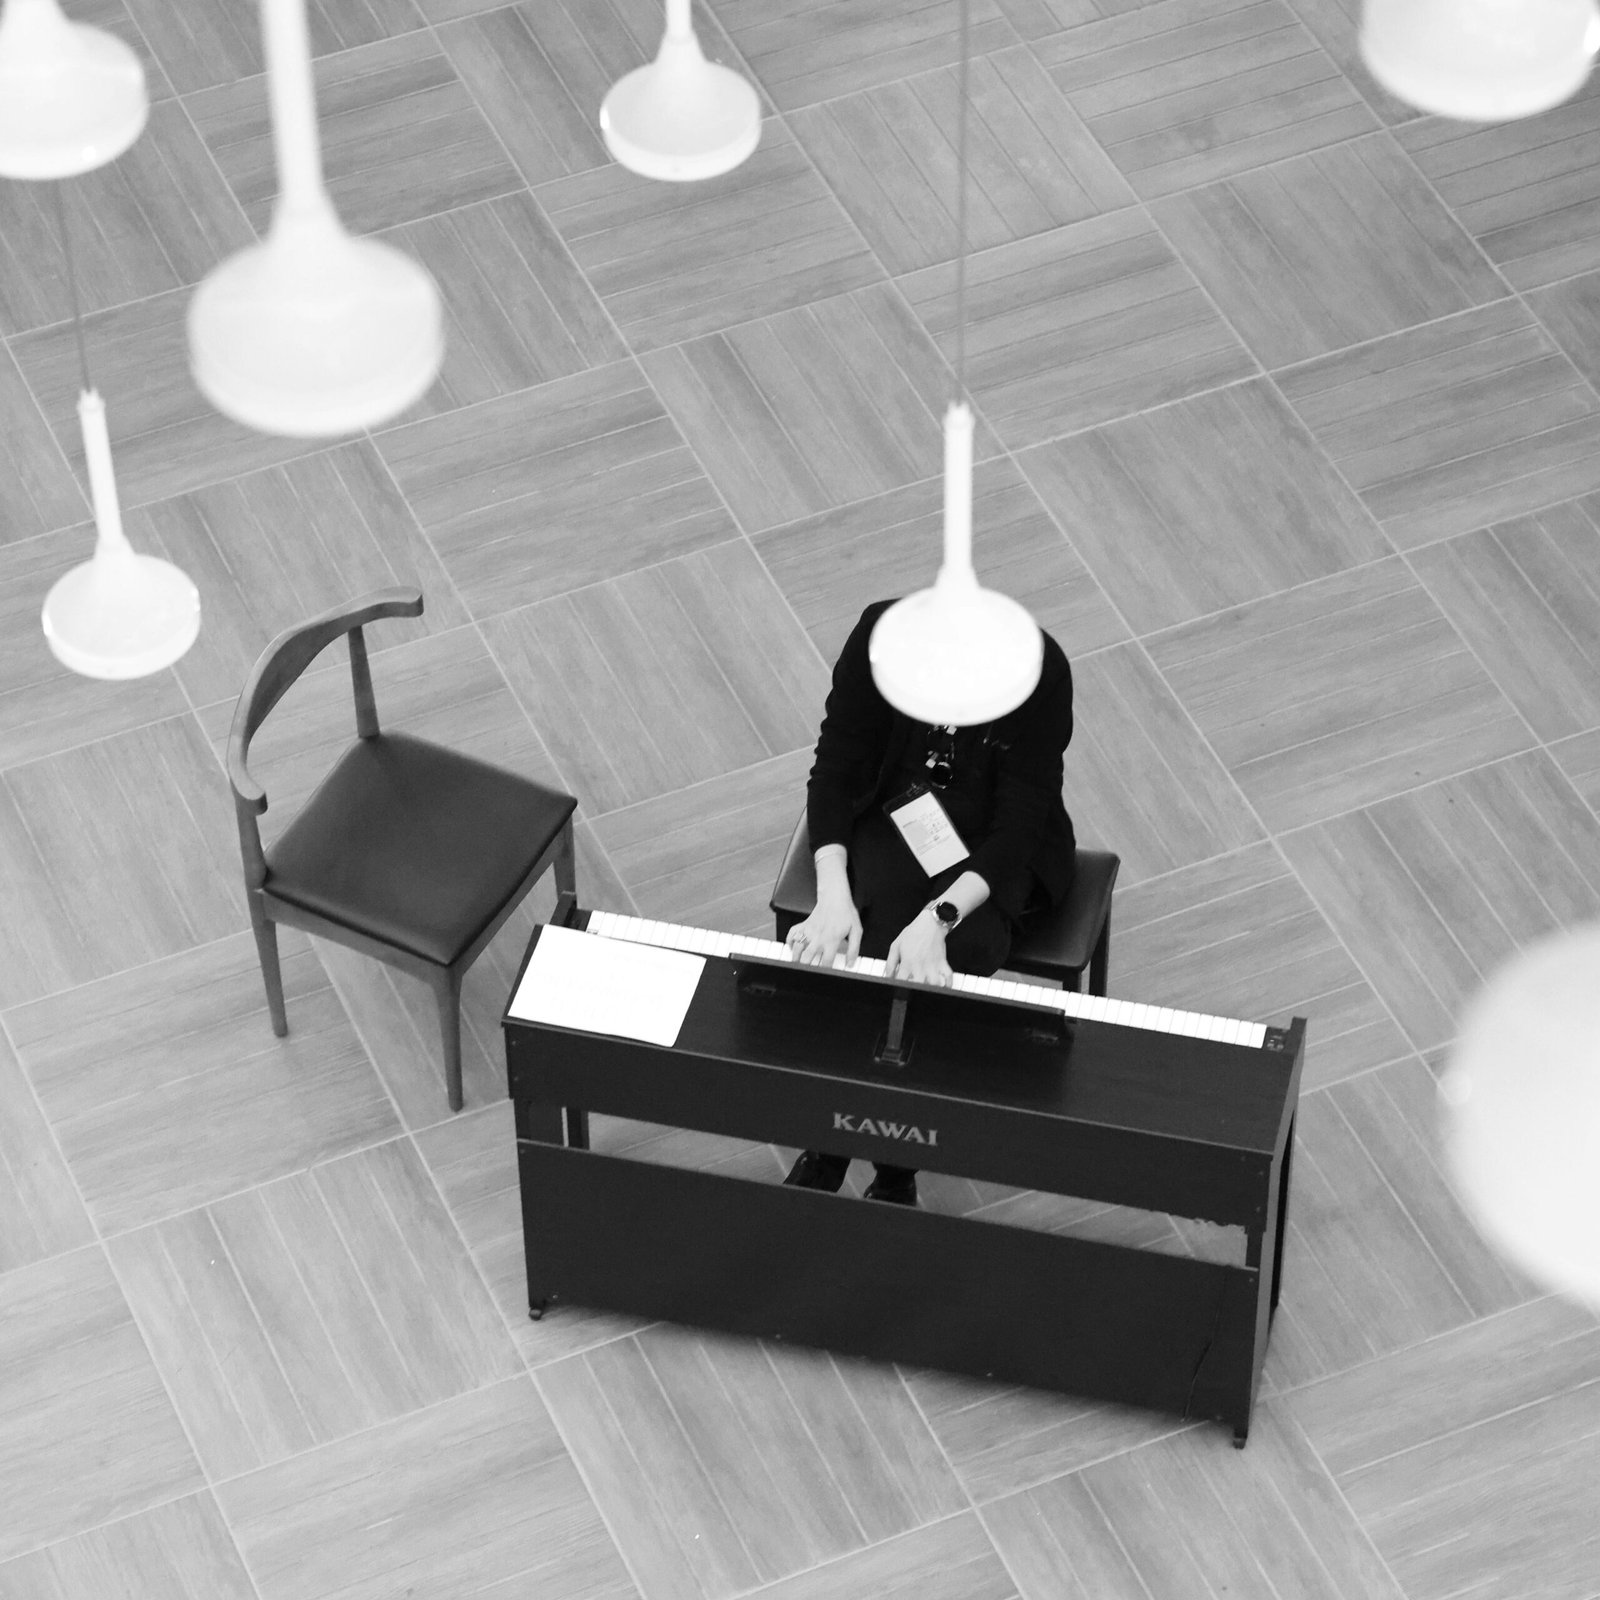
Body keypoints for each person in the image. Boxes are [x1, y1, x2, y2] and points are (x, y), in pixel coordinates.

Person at [783, 597, 1076, 1207]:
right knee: (870, 936)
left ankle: (865, 1149)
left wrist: (938, 918)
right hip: (901, 814)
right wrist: (832, 894)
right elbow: (834, 770)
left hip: (992, 847)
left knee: (955, 951)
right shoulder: (878, 638)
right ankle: (884, 1155)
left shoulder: (1039, 668)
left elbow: (1019, 826)